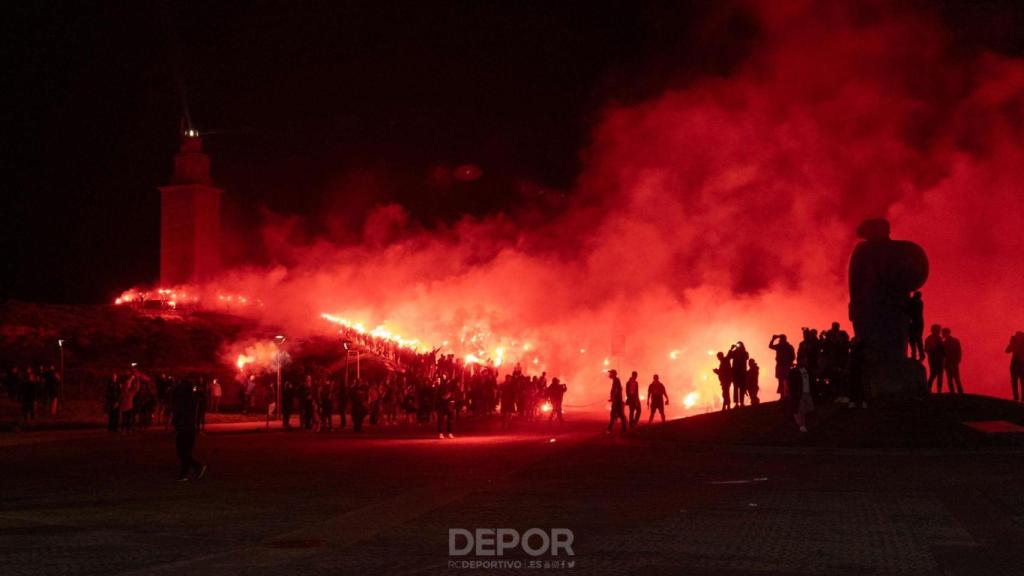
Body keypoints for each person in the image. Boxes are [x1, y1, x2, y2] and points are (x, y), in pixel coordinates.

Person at [171, 378, 207, 482]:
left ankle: (197, 467)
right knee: (185, 453)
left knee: (182, 452)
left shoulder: (184, 400)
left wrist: (176, 422)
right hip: (189, 428)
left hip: (184, 428)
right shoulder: (192, 398)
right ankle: (184, 475)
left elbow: (179, 411)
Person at [788, 359, 814, 433]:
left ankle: (797, 417)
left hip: (807, 393)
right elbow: (792, 384)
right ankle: (802, 425)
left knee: (809, 409)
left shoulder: (807, 370)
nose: (804, 361)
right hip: (801, 394)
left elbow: (810, 381)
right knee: (801, 410)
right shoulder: (795, 371)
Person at [769, 334, 796, 399]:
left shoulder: (787, 347)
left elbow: (793, 356)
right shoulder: (781, 346)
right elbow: (770, 346)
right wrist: (773, 339)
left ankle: (786, 395)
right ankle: (783, 396)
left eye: (781, 339)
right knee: (781, 381)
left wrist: (773, 339)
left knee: (785, 380)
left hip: (785, 365)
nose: (780, 340)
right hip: (780, 365)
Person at [941, 328, 963, 394]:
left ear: (947, 333)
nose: (942, 334)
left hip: (950, 362)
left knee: (951, 378)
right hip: (952, 362)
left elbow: (943, 354)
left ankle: (953, 392)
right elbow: (959, 351)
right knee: (955, 378)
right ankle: (960, 392)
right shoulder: (954, 341)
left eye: (943, 333)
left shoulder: (944, 343)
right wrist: (958, 359)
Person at [925, 324, 945, 393]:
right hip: (934, 359)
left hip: (938, 359)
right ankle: (929, 389)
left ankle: (935, 390)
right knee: (934, 374)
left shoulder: (937, 338)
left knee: (937, 375)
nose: (939, 331)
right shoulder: (931, 338)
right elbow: (927, 349)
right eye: (938, 330)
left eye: (939, 330)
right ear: (933, 330)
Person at [727, 343, 749, 407]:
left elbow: (746, 357)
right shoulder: (734, 352)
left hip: (742, 373)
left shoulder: (745, 353)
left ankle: (741, 403)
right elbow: (728, 357)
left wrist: (739, 352)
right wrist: (731, 349)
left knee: (742, 388)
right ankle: (736, 403)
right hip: (735, 373)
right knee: (736, 389)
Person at [606, 369, 627, 435]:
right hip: (616, 401)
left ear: (613, 374)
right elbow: (617, 390)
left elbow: (618, 390)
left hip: (617, 402)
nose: (609, 374)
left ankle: (611, 429)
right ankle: (611, 428)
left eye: (610, 373)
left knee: (618, 415)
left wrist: (614, 398)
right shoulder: (615, 380)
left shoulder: (616, 380)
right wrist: (612, 398)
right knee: (615, 415)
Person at [907, 291, 925, 361]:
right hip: (917, 322)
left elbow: (910, 310)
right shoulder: (919, 302)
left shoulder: (915, 302)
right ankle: (919, 354)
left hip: (915, 322)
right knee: (916, 339)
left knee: (914, 339)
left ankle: (916, 354)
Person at [1007, 331, 1024, 402]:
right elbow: (1007, 350)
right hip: (1018, 364)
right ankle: (1019, 398)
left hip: (1017, 364)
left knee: (1017, 382)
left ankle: (1017, 398)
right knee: (1018, 382)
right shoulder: (1016, 343)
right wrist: (1012, 343)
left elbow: (1007, 350)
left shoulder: (1017, 343)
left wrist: (1012, 343)